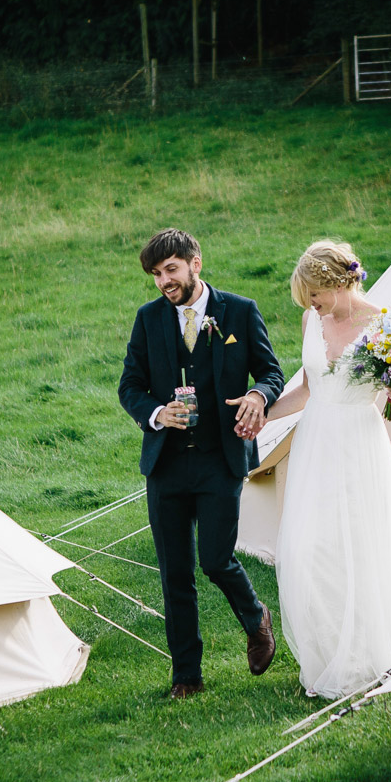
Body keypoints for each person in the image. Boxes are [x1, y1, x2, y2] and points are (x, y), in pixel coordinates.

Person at [263, 240, 391, 697]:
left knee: (363, 545)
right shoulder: (312, 320)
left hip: (359, 445)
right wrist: (262, 415)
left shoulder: (385, 326)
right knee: (310, 548)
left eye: (315, 293)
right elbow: (308, 389)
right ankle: (329, 649)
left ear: (336, 281)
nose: (311, 304)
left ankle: (369, 650)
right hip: (315, 443)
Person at [119, 229, 287, 699]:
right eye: (155, 274)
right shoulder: (148, 319)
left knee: (215, 559)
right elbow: (129, 385)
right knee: (175, 572)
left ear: (195, 262)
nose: (163, 282)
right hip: (167, 464)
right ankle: (186, 677)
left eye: (170, 269)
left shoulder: (240, 311)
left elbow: (271, 372)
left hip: (220, 458)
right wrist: (155, 413)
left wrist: (258, 394)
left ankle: (256, 618)